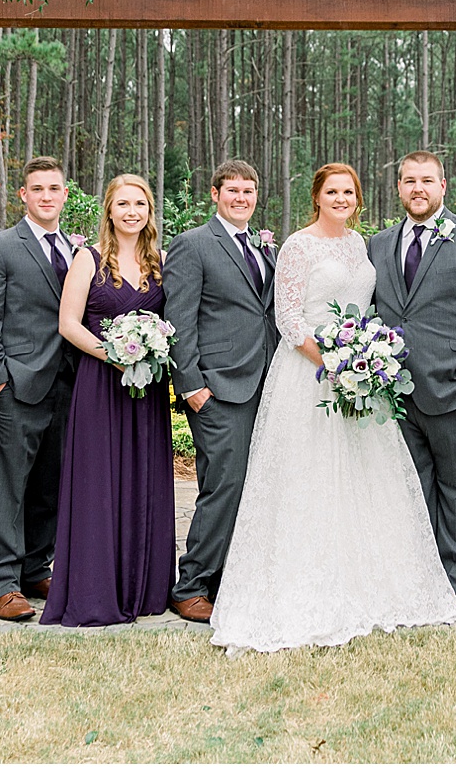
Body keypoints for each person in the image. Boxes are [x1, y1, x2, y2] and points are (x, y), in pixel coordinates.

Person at [210, 164, 456, 653]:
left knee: (363, 482)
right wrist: (334, 364)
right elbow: (287, 318)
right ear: (317, 197)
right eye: (333, 191)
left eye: (349, 191)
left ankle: (364, 585)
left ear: (359, 198)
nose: (342, 199)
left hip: (360, 379)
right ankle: (301, 591)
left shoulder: (359, 245)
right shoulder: (298, 246)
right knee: (308, 481)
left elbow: (367, 308)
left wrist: (365, 361)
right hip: (307, 377)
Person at [368, 151, 456, 604]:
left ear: (443, 186)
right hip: (395, 391)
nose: (418, 189)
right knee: (411, 491)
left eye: (427, 181)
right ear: (398, 187)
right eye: (409, 180)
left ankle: (455, 582)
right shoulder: (378, 244)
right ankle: (418, 578)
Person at [41, 173, 176, 627]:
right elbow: (69, 323)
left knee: (143, 478)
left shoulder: (161, 259)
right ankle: (97, 590)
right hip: (101, 384)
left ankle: (143, 588)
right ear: (109, 211)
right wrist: (113, 355)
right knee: (100, 482)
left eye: (140, 203)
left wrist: (151, 353)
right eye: (123, 204)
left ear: (149, 210)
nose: (132, 211)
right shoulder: (89, 259)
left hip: (147, 388)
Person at [163, 159, 279, 623]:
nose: (241, 198)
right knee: (222, 487)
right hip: (217, 387)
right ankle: (190, 584)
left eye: (248, 191)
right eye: (232, 190)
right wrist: (190, 384)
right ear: (214, 194)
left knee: (252, 487)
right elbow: (180, 320)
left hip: (263, 385)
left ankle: (229, 580)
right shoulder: (193, 245)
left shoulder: (263, 246)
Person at [0, 156, 80, 622]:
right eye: (38, 189)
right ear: (23, 196)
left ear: (65, 195)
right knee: (10, 487)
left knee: (51, 483)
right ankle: (2, 582)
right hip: (17, 385)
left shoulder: (78, 249)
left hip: (69, 386)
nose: (47, 196)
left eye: (54, 188)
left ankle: (36, 565)